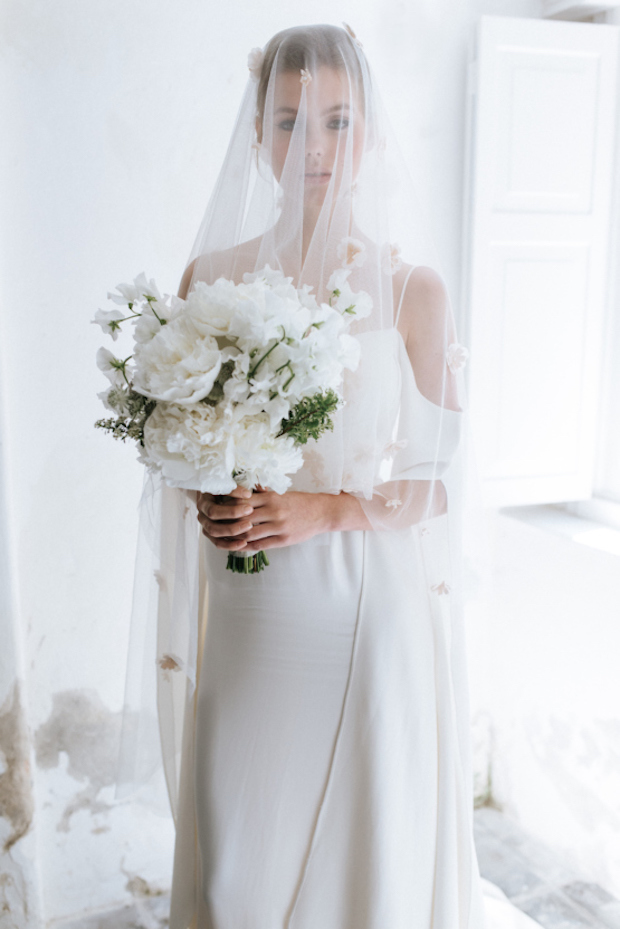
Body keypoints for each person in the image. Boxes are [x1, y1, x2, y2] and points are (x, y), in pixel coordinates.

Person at [117, 22, 538, 929]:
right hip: (248, 600)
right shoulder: (209, 276)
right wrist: (203, 482)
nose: (314, 147)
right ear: (258, 133)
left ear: (373, 132)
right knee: (241, 845)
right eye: (290, 122)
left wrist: (326, 509)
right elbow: (178, 438)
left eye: (339, 122)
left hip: (360, 602)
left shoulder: (414, 289)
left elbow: (434, 482)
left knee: (360, 853)